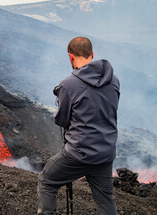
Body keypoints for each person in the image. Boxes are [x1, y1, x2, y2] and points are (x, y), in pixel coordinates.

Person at [37, 37, 120, 215]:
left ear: (70, 56)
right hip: (105, 153)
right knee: (105, 199)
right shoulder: (114, 81)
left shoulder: (69, 84)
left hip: (78, 154)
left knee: (47, 180)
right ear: (92, 54)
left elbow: (62, 120)